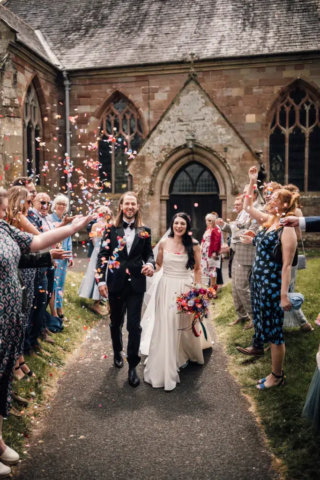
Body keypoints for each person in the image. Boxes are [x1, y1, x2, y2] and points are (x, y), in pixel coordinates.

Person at [0, 187, 93, 476]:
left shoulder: (3, 228)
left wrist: (72, 228)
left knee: (2, 377)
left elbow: (36, 241)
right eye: (2, 206)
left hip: (8, 319)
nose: (5, 211)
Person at [237, 166, 299, 390]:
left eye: (274, 199)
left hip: (272, 286)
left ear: (284, 205)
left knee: (275, 333)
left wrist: (283, 295)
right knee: (264, 327)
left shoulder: (287, 227)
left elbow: (286, 265)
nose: (270, 201)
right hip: (259, 283)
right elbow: (247, 207)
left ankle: (277, 375)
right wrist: (252, 180)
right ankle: (273, 370)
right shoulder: (269, 221)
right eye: (270, 198)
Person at [142, 213, 213, 391]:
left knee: (180, 323)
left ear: (187, 227)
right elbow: (159, 265)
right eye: (176, 223)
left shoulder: (194, 245)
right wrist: (151, 269)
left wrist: (198, 291)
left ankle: (181, 354)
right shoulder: (164, 243)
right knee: (166, 323)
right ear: (172, 224)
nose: (179, 226)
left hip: (184, 288)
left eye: (182, 224)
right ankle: (167, 359)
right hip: (165, 287)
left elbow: (197, 269)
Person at [97, 192, 155, 388]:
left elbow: (149, 255)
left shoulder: (144, 231)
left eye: (133, 204)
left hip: (136, 284)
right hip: (115, 283)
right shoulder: (110, 230)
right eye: (127, 203)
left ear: (137, 207)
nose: (130, 207)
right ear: (121, 206)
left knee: (134, 326)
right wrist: (100, 281)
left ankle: (132, 366)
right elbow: (103, 256)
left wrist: (150, 265)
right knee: (115, 323)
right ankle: (116, 352)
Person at [216, 197, 257, 329]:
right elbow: (236, 230)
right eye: (235, 204)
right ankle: (242, 315)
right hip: (235, 254)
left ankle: (254, 318)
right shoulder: (241, 214)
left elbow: (249, 233)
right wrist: (224, 225)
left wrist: (229, 244)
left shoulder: (254, 212)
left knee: (242, 287)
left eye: (238, 204)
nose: (236, 206)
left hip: (245, 255)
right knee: (234, 287)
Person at [281, 184, 313, 333]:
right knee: (284, 289)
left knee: (288, 290)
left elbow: (299, 236)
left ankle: (303, 323)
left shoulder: (296, 211)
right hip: (278, 256)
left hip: (289, 254)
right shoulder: (278, 212)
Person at [79, 206, 113, 315]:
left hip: (96, 252)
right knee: (104, 275)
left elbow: (93, 241)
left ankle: (99, 302)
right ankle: (99, 303)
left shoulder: (94, 225)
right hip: (103, 253)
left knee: (98, 276)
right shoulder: (108, 226)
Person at [49, 194, 74, 320]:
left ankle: (60, 309)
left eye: (64, 204)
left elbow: (68, 240)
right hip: (53, 256)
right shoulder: (49, 219)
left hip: (63, 257)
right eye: (59, 203)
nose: (61, 206)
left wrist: (70, 257)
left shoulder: (66, 220)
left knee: (60, 284)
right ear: (54, 205)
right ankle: (53, 312)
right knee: (52, 284)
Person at [200, 213, 221, 288]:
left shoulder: (216, 229)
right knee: (207, 268)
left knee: (212, 268)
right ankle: (208, 286)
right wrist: (201, 245)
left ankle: (213, 287)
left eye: (210, 220)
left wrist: (215, 251)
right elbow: (203, 238)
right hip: (205, 251)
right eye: (207, 220)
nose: (209, 222)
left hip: (211, 251)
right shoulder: (208, 229)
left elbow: (217, 241)